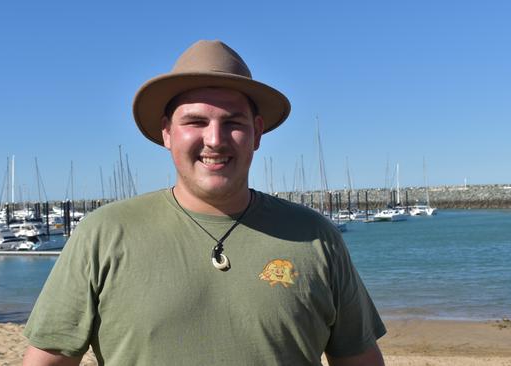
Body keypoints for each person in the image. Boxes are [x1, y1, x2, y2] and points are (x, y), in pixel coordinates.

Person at [23, 40, 386, 366]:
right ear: (167, 132)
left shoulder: (316, 237)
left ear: (257, 132)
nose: (215, 140)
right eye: (195, 121)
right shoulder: (103, 233)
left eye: (233, 122)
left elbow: (359, 359)